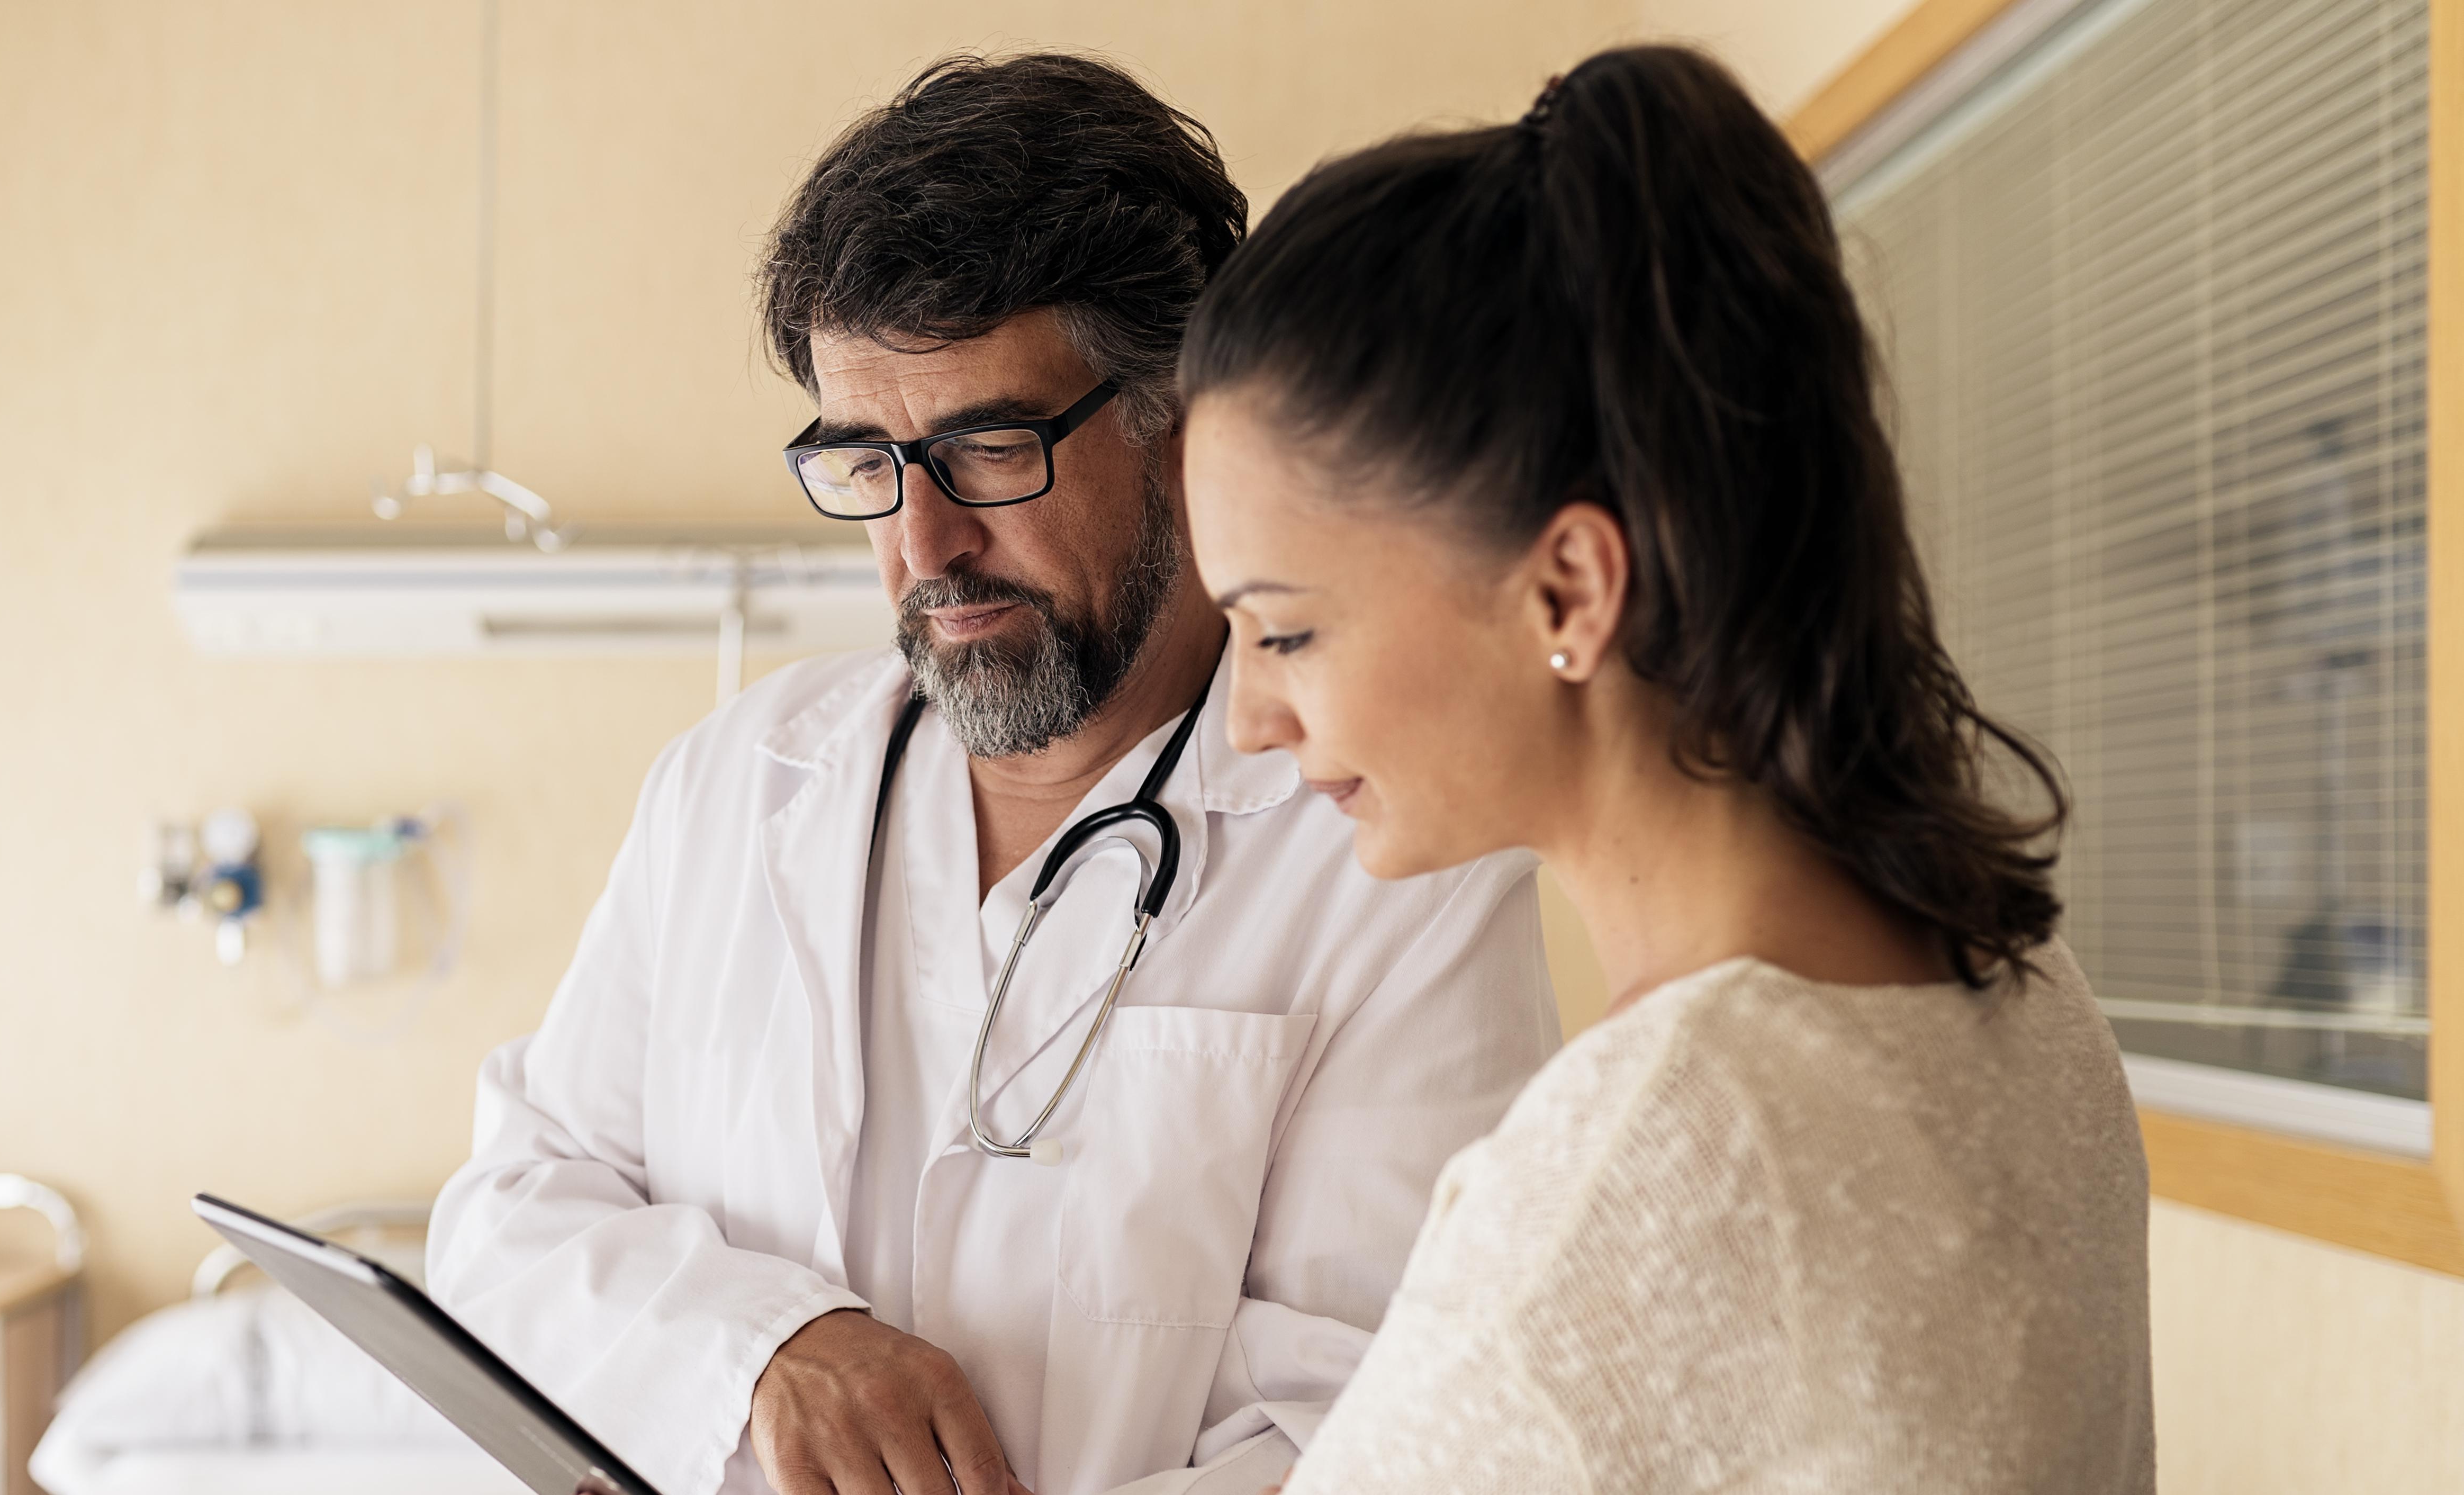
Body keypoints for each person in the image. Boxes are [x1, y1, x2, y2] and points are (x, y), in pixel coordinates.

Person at [428, 53, 1564, 1495]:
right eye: (865, 462)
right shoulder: (735, 783)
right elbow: (510, 1216)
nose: (922, 544)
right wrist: (768, 1351)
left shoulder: (1391, 849)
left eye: (987, 448)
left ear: (1179, 421)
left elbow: (1382, 1431)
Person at [1174, 45, 2154, 1491]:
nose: (1249, 716)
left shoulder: (1650, 1159)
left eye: (1285, 630)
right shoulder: (2019, 996)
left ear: (1567, 589)